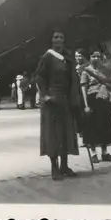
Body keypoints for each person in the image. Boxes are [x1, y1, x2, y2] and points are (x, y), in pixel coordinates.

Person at [35, 29, 80, 180]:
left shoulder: (67, 56)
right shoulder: (47, 57)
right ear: (52, 40)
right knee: (53, 134)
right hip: (52, 101)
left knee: (66, 132)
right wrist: (45, 95)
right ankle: (54, 167)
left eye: (61, 37)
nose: (58, 39)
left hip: (66, 99)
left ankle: (65, 166)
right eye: (55, 37)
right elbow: (39, 77)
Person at [80, 49, 111, 164]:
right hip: (92, 100)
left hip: (103, 99)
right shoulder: (86, 71)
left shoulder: (103, 70)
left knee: (105, 126)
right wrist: (86, 105)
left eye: (98, 56)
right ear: (89, 58)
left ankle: (104, 152)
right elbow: (83, 89)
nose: (96, 59)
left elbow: (109, 82)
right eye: (93, 56)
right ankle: (94, 153)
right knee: (92, 127)